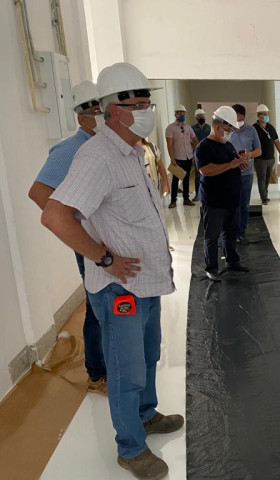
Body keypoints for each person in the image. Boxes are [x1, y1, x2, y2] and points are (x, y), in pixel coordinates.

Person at [41, 62, 183, 480]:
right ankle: (131, 448)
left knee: (149, 355)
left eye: (147, 103)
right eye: (137, 104)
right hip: (119, 288)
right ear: (113, 111)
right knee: (126, 368)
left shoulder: (133, 151)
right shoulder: (98, 156)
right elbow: (55, 215)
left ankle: (146, 415)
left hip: (146, 281)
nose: (147, 111)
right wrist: (103, 258)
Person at [28, 80, 107, 396]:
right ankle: (97, 374)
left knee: (110, 303)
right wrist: (76, 228)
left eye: (104, 109)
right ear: (81, 117)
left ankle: (110, 365)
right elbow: (39, 192)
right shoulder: (70, 150)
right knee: (97, 306)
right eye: (96, 110)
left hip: (108, 240)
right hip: (91, 244)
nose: (102, 116)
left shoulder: (104, 147)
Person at [196, 106, 250, 282]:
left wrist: (240, 164)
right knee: (212, 236)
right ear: (217, 127)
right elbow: (205, 170)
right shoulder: (204, 147)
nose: (230, 133)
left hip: (232, 198)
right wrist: (231, 165)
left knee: (231, 232)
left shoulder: (228, 146)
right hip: (214, 201)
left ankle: (232, 261)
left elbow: (231, 165)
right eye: (228, 129)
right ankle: (211, 268)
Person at [229, 104, 261, 243]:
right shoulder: (227, 130)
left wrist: (249, 155)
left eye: (240, 119)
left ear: (244, 117)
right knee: (231, 204)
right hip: (230, 173)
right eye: (236, 119)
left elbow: (259, 150)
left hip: (247, 174)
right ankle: (230, 233)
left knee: (244, 204)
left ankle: (241, 233)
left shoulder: (251, 130)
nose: (238, 122)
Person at [166, 104, 198, 208]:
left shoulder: (188, 127)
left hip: (188, 157)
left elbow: (195, 140)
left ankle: (186, 199)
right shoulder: (170, 128)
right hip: (177, 158)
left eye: (183, 113)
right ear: (176, 114)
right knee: (175, 180)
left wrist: (193, 152)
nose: (182, 115)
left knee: (186, 179)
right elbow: (169, 144)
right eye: (180, 113)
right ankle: (173, 200)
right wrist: (172, 159)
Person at [253, 104, 280, 205]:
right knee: (261, 178)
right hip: (260, 159)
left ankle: (264, 193)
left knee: (267, 178)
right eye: (264, 114)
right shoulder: (254, 129)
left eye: (267, 114)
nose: (266, 116)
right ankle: (264, 197)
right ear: (259, 116)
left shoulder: (271, 127)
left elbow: (276, 141)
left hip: (270, 158)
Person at [191, 108, 211, 201]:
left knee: (209, 174)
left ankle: (208, 193)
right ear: (196, 118)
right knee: (198, 175)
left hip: (208, 154)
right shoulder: (192, 128)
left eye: (202, 116)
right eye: (199, 116)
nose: (201, 118)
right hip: (197, 154)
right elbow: (190, 142)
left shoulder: (209, 127)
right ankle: (198, 195)